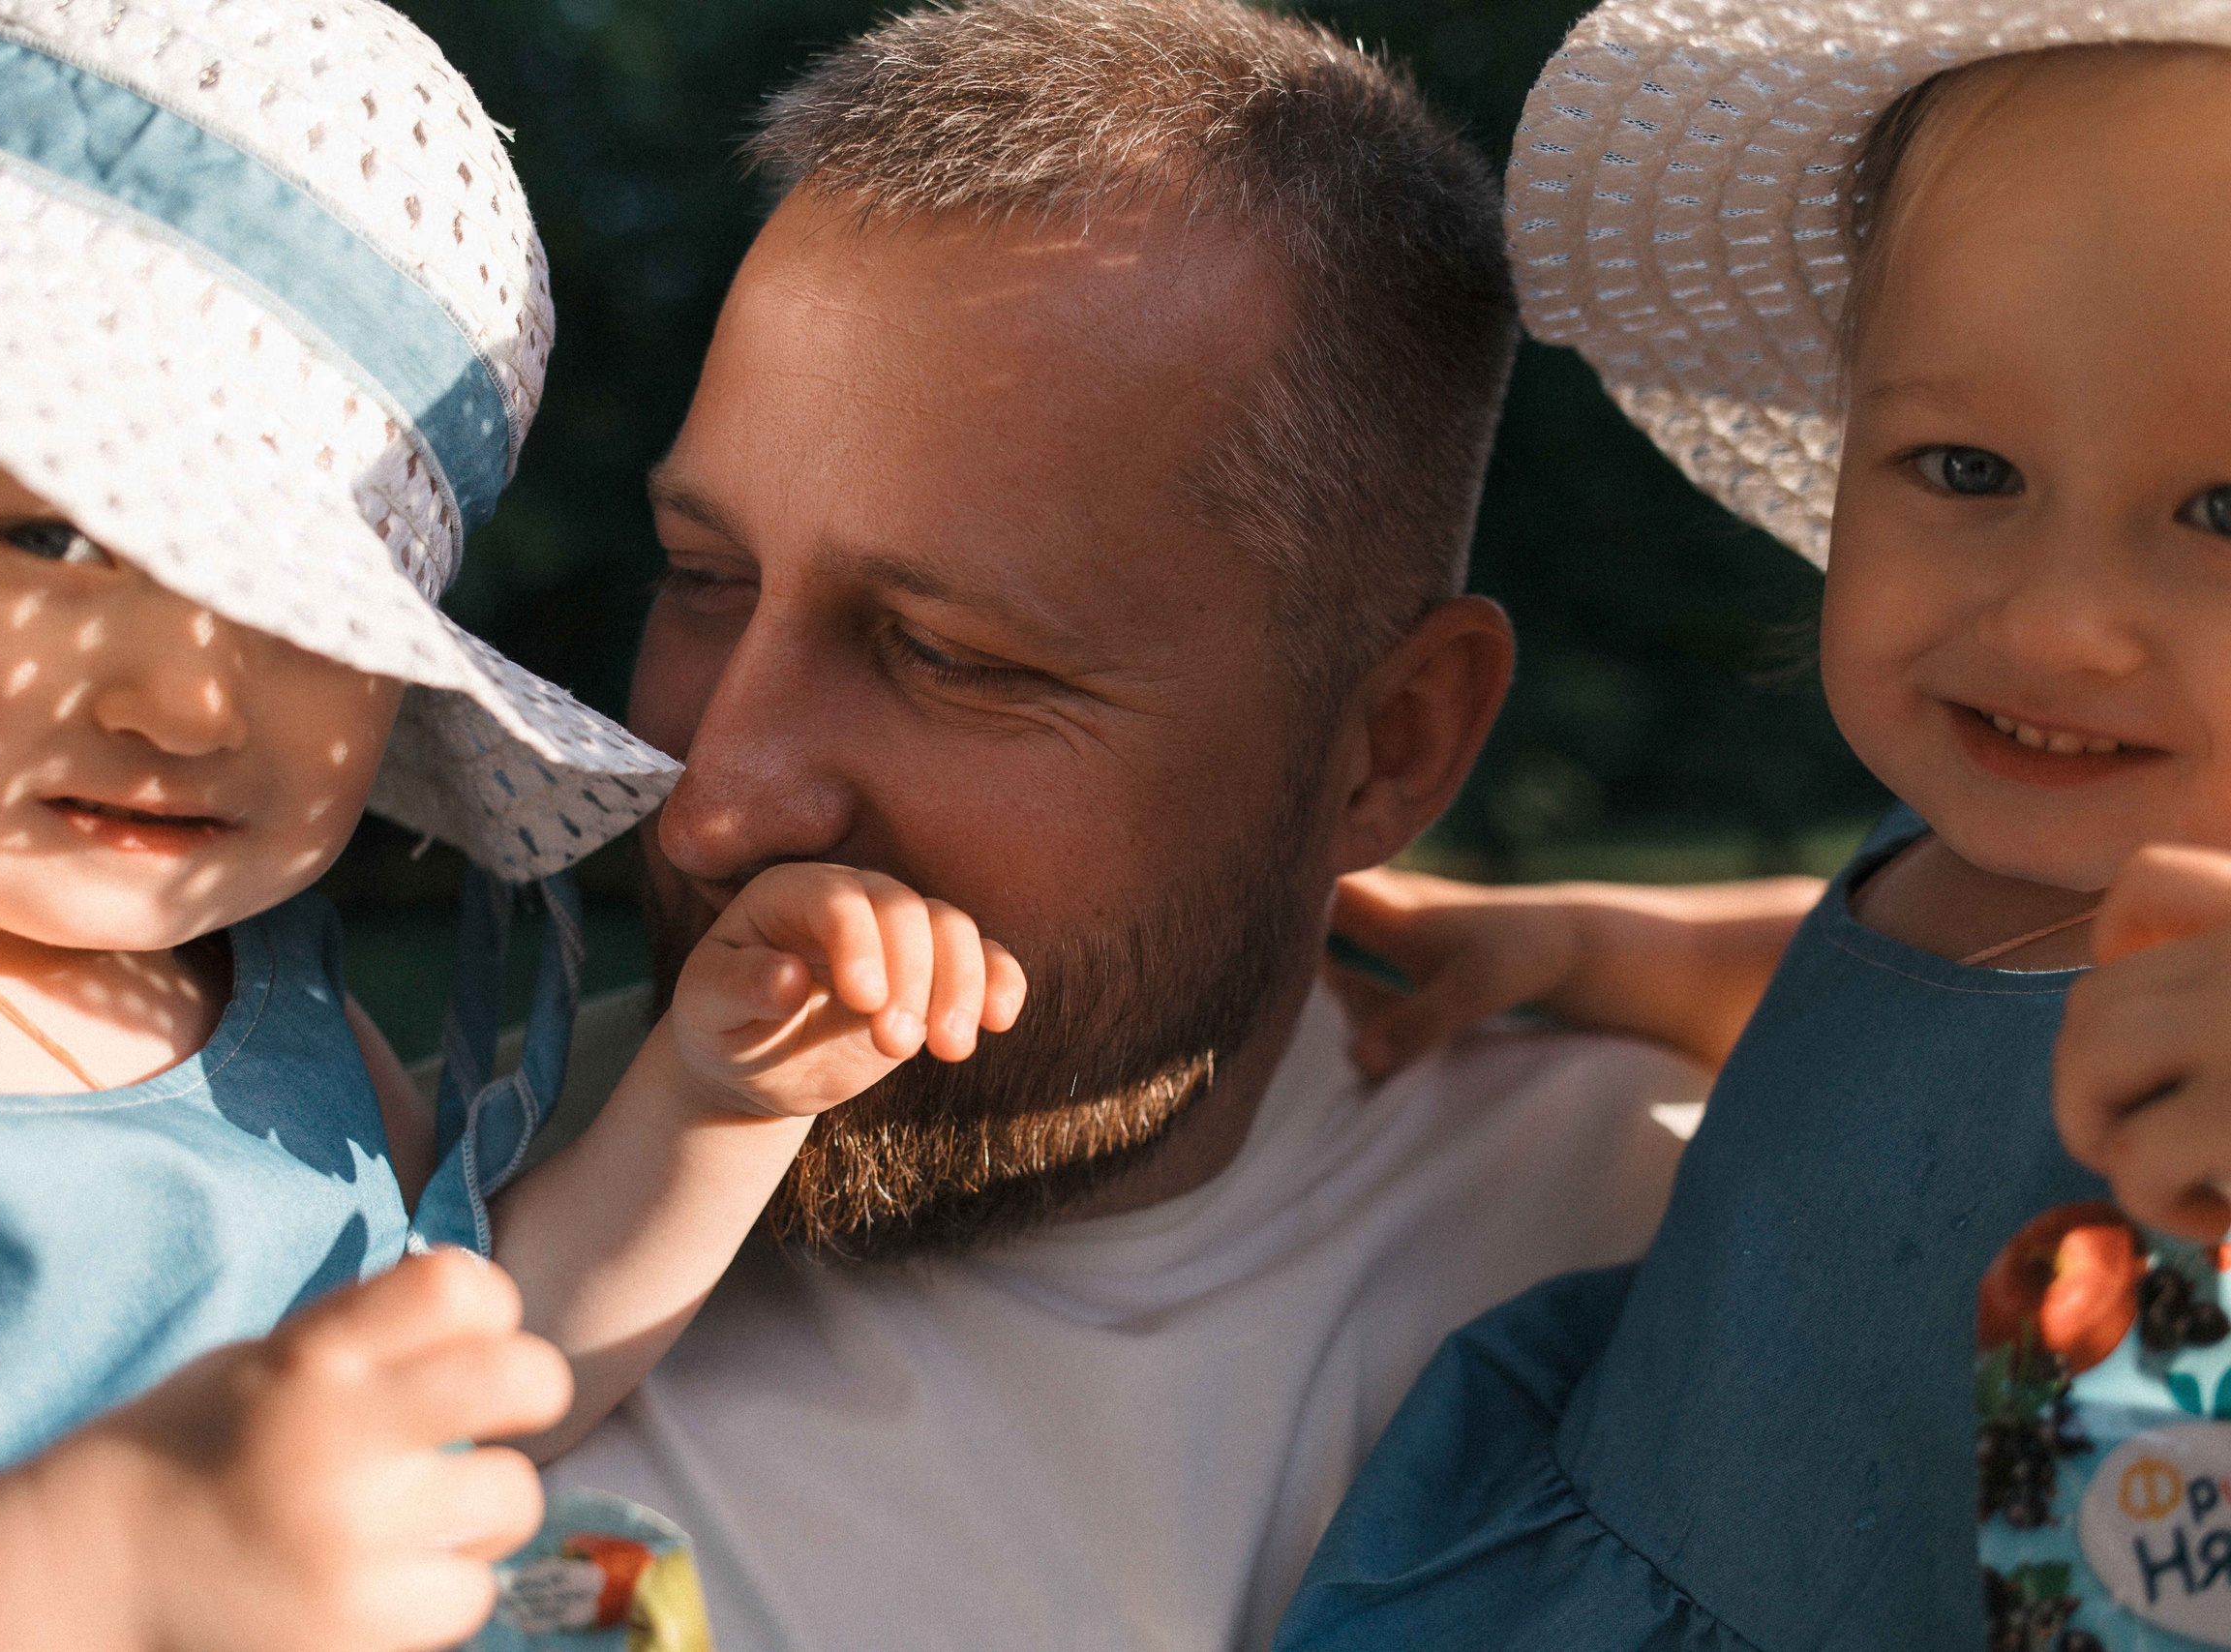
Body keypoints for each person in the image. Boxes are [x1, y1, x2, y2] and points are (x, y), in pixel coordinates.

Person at [0, 1, 1022, 1645]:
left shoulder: (264, 989)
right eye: (54, 541)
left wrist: (716, 1103)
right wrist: (91, 1570)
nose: (186, 704)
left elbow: (485, 1377)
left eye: (299, 610)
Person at [513, 4, 1771, 1647]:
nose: (720, 799)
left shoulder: (1679, 1242)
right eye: (704, 578)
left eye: (955, 657)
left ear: (1389, 747)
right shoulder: (396, 1218)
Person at [1274, 7, 2231, 1649]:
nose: (2064, 625)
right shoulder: (1967, 847)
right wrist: (1583, 943)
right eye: (1967, 466)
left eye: (2224, 511)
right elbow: (1871, 1007)